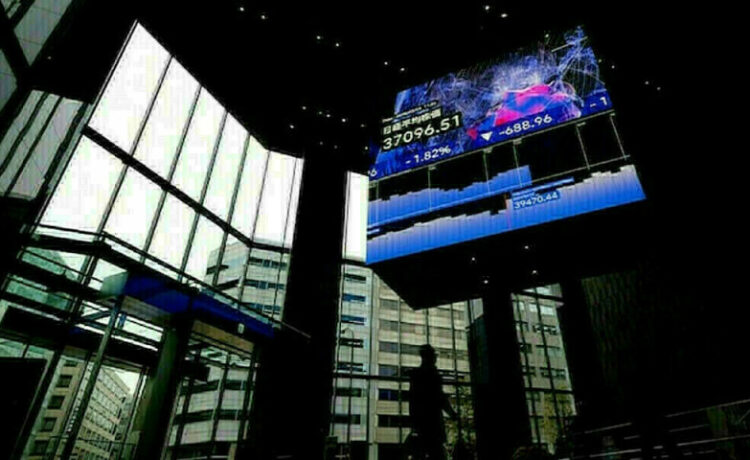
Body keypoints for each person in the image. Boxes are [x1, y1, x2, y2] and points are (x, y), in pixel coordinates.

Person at [408, 344, 458, 460]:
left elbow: (412, 400)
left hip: (421, 421)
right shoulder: (433, 375)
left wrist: (414, 421)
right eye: (433, 356)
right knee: (437, 452)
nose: (435, 358)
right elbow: (440, 398)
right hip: (433, 420)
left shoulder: (416, 375)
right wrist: (452, 413)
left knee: (422, 452)